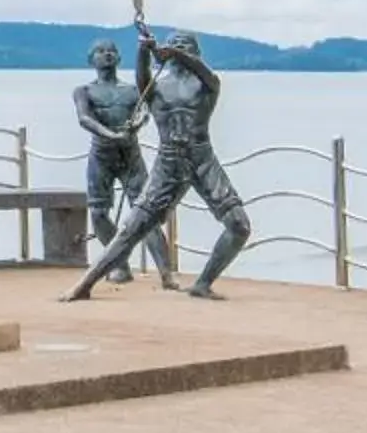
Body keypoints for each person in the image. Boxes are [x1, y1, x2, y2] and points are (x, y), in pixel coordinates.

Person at [63, 29, 252, 302]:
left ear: (196, 53)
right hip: (168, 161)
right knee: (132, 228)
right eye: (173, 44)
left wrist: (177, 54)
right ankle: (85, 284)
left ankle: (203, 283)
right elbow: (142, 79)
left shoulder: (207, 84)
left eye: (185, 45)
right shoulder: (156, 88)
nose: (177, 48)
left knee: (239, 225)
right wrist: (144, 49)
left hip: (202, 158)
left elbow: (206, 73)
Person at [71, 39, 150, 283]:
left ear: (118, 58)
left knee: (147, 210)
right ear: (91, 59)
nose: (107, 54)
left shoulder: (132, 90)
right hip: (101, 154)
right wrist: (110, 134)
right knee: (98, 212)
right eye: (101, 51)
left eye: (112, 51)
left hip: (130, 155)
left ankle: (166, 270)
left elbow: (144, 111)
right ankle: (120, 262)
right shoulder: (84, 91)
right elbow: (84, 118)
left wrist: (136, 124)